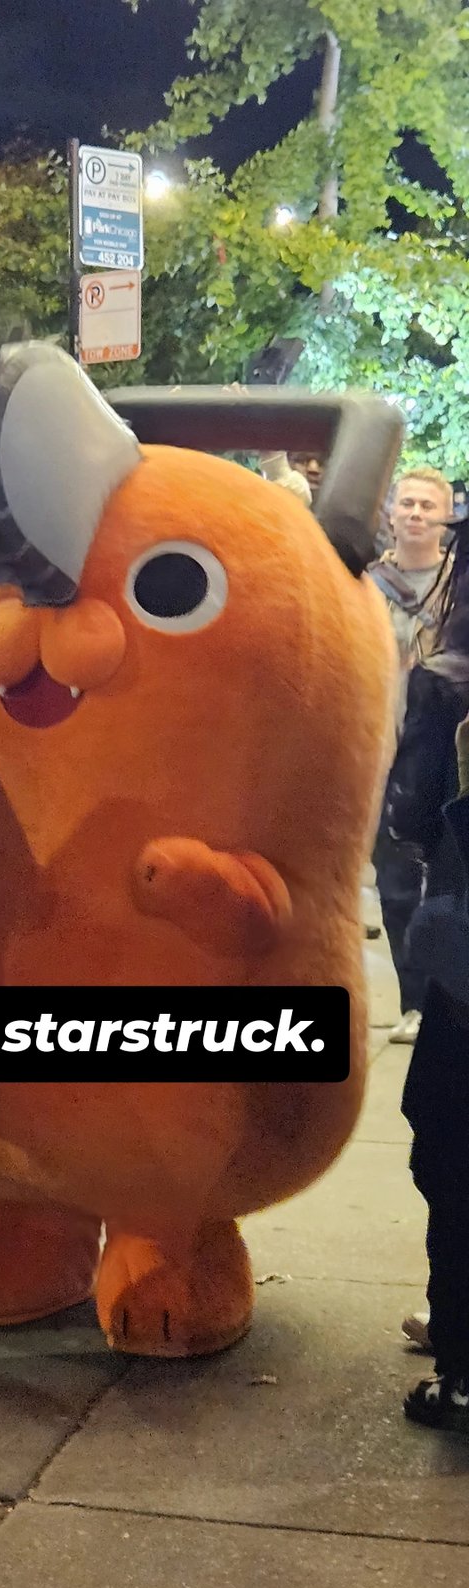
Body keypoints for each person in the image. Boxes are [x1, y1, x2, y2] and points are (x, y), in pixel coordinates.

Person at [396, 547, 469, 1432]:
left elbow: (412, 819)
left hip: (464, 983)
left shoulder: (448, 688)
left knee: (452, 1166)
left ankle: (460, 1368)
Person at [370, 467, 454, 1043]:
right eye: (408, 503)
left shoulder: (462, 583)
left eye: (428, 504)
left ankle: (450, 1001)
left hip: (450, 750)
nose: (417, 512)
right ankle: (415, 1003)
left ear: (446, 519)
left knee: (452, 879)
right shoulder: (365, 583)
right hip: (382, 747)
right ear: (392, 513)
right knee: (395, 881)